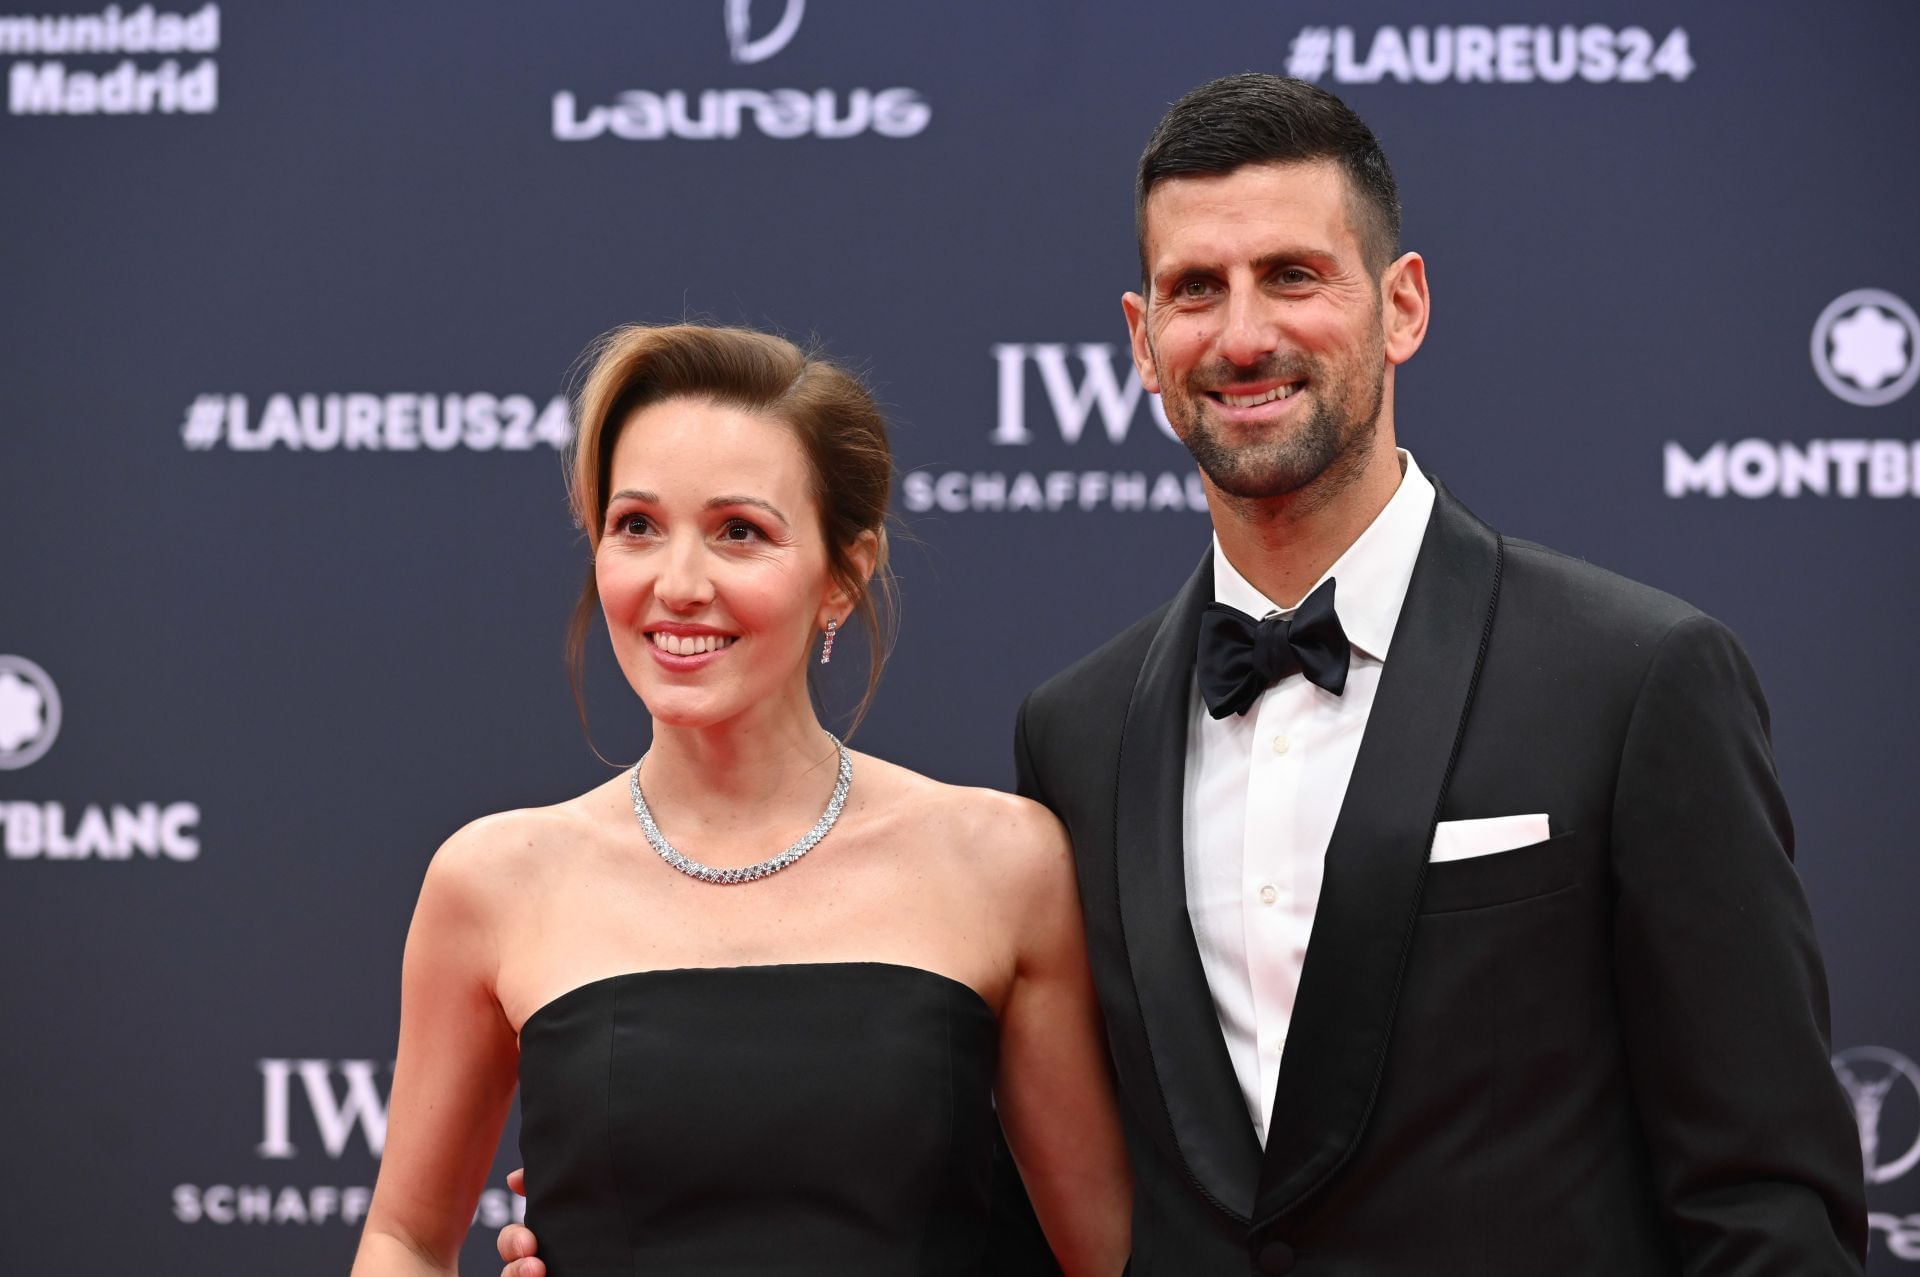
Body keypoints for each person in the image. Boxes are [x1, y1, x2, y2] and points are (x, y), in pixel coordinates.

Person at [497, 76, 1869, 1277]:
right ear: (1143, 342)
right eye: (1196, 290)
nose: (1243, 333)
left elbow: (1767, 1200)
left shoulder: (1635, 681)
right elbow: (1046, 1219)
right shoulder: (1079, 737)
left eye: (1293, 275)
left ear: (1402, 305)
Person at [352, 323, 1130, 1277]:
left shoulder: (1001, 862)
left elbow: (1108, 1256)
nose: (678, 584)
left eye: (740, 532)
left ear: (845, 574)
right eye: (636, 525)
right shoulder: (493, 881)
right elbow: (405, 1240)